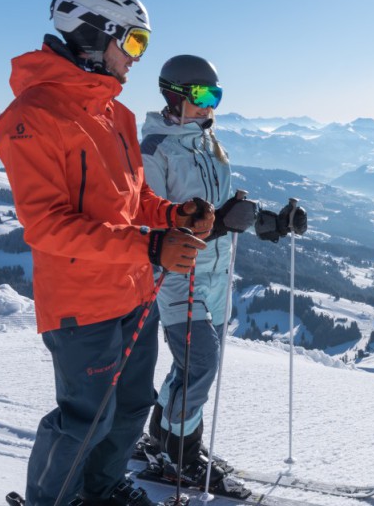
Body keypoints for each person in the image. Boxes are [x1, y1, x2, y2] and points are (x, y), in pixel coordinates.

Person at [0, 0, 214, 506]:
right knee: (86, 418)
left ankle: (104, 491)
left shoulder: (117, 115)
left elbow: (131, 201)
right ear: (96, 34)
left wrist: (172, 214)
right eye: (134, 43)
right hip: (80, 304)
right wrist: (150, 248)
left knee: (133, 407)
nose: (138, 57)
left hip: (134, 293)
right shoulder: (31, 117)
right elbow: (46, 226)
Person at [137, 55, 258, 498]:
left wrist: (269, 221)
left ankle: (163, 438)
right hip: (178, 276)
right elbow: (147, 219)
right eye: (204, 96)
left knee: (191, 368)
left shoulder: (209, 146)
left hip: (216, 277)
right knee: (201, 365)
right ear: (174, 96)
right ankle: (182, 457)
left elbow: (225, 208)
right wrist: (222, 223)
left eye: (216, 96)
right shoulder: (156, 151)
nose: (211, 105)